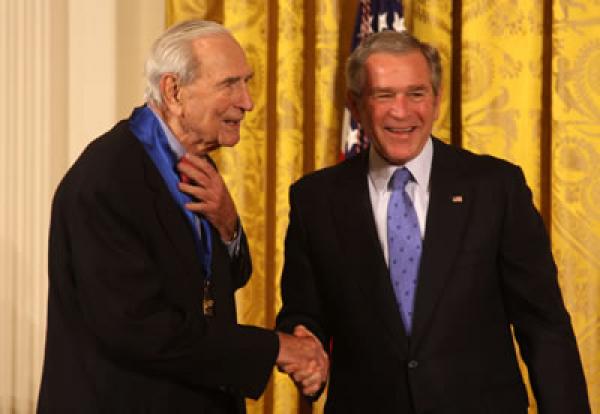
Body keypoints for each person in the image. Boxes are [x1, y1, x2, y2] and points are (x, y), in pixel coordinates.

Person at [276, 30, 590, 413]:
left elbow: (544, 325)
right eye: (384, 95)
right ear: (355, 106)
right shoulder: (316, 198)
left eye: (416, 94)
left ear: (437, 100)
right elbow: (303, 310)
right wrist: (305, 341)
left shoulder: (495, 188)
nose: (402, 111)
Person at [37, 20, 327, 413]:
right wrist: (277, 348)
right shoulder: (106, 181)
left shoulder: (189, 165)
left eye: (247, 82)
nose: (247, 101)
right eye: (229, 85)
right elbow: (139, 329)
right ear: (174, 91)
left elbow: (217, 285)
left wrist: (228, 228)